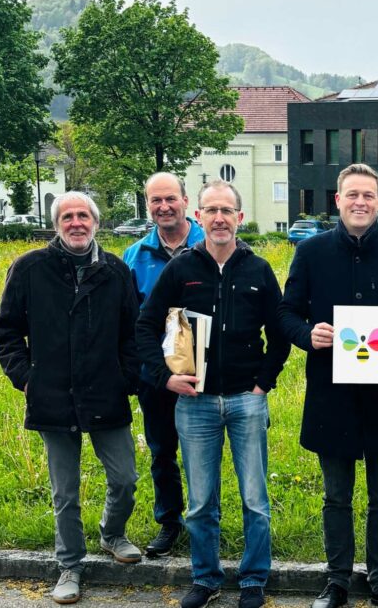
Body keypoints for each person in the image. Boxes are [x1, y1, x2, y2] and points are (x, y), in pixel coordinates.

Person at [136, 180, 290, 608]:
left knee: (255, 499)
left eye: (227, 211)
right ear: (198, 217)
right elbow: (145, 326)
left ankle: (254, 577)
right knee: (202, 501)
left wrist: (264, 382)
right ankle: (205, 578)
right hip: (195, 403)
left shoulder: (258, 270)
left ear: (240, 218)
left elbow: (279, 334)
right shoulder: (181, 270)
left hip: (246, 399)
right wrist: (163, 376)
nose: (219, 218)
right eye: (211, 210)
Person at [278, 164, 378, 608]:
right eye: (351, 195)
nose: (360, 202)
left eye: (368, 195)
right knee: (336, 496)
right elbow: (286, 314)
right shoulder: (311, 252)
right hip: (332, 395)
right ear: (337, 201)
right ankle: (336, 580)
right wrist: (308, 335)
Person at [0, 192, 141, 605]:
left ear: (96, 222)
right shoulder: (29, 268)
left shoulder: (115, 270)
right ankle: (70, 566)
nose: (76, 223)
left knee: (125, 479)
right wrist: (26, 378)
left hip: (106, 393)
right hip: (52, 396)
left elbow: (132, 331)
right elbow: (5, 330)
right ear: (57, 224)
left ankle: (112, 533)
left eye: (83, 216)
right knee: (66, 492)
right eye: (67, 216)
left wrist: (128, 377)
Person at [123, 172, 204, 558]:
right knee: (162, 452)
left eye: (170, 198)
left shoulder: (214, 242)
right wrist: (153, 372)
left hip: (209, 373)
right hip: (156, 376)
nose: (164, 206)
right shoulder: (135, 256)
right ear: (148, 205)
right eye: (156, 200)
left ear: (186, 201)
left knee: (205, 453)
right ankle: (170, 521)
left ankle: (206, 523)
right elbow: (130, 322)